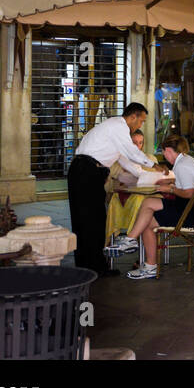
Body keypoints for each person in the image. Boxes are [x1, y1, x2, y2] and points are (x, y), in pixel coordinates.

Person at [70, 102, 153, 277]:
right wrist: (154, 165)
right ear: (133, 117)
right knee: (88, 220)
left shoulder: (115, 131)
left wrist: (144, 174)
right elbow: (131, 152)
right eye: (141, 121)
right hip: (86, 171)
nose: (140, 125)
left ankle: (93, 265)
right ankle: (91, 267)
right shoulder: (118, 126)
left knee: (95, 220)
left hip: (90, 172)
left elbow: (125, 161)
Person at [117, 134, 194, 279]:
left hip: (189, 213)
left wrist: (170, 189)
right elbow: (187, 186)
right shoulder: (188, 160)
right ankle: (132, 242)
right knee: (147, 206)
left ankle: (146, 261)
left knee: (147, 221)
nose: (164, 155)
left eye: (164, 152)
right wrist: (171, 185)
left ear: (168, 150)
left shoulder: (182, 166)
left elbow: (189, 193)